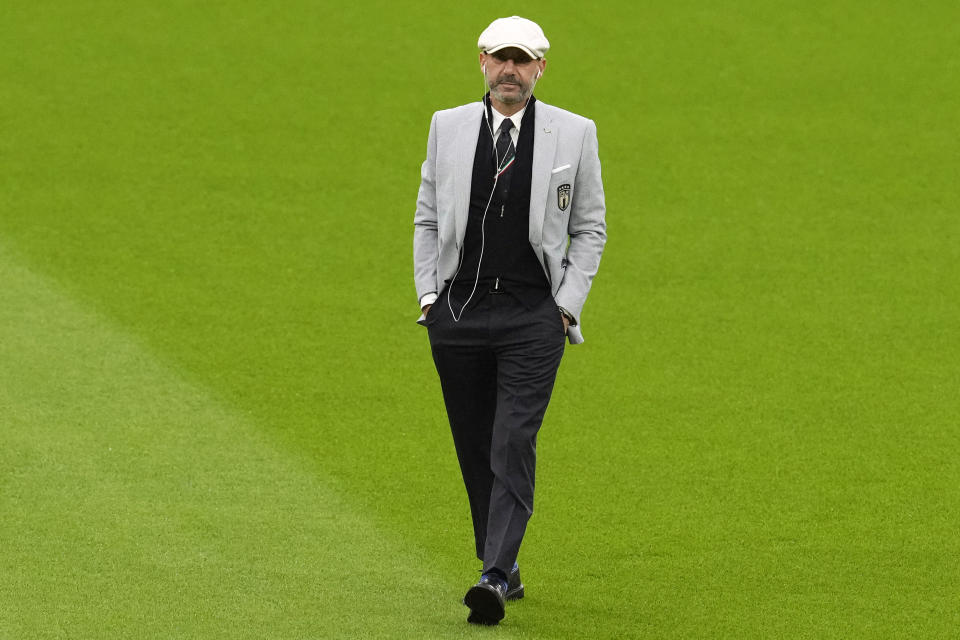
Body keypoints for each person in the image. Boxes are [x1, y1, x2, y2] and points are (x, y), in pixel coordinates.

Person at [412, 15, 607, 625]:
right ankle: (502, 559)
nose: (510, 71)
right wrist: (428, 298)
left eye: (522, 61)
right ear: (482, 62)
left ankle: (494, 576)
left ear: (540, 68)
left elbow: (590, 226)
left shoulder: (574, 133)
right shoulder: (448, 126)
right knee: (474, 447)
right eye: (501, 59)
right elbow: (426, 214)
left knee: (511, 440)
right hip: (460, 312)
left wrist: (565, 306)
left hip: (531, 316)